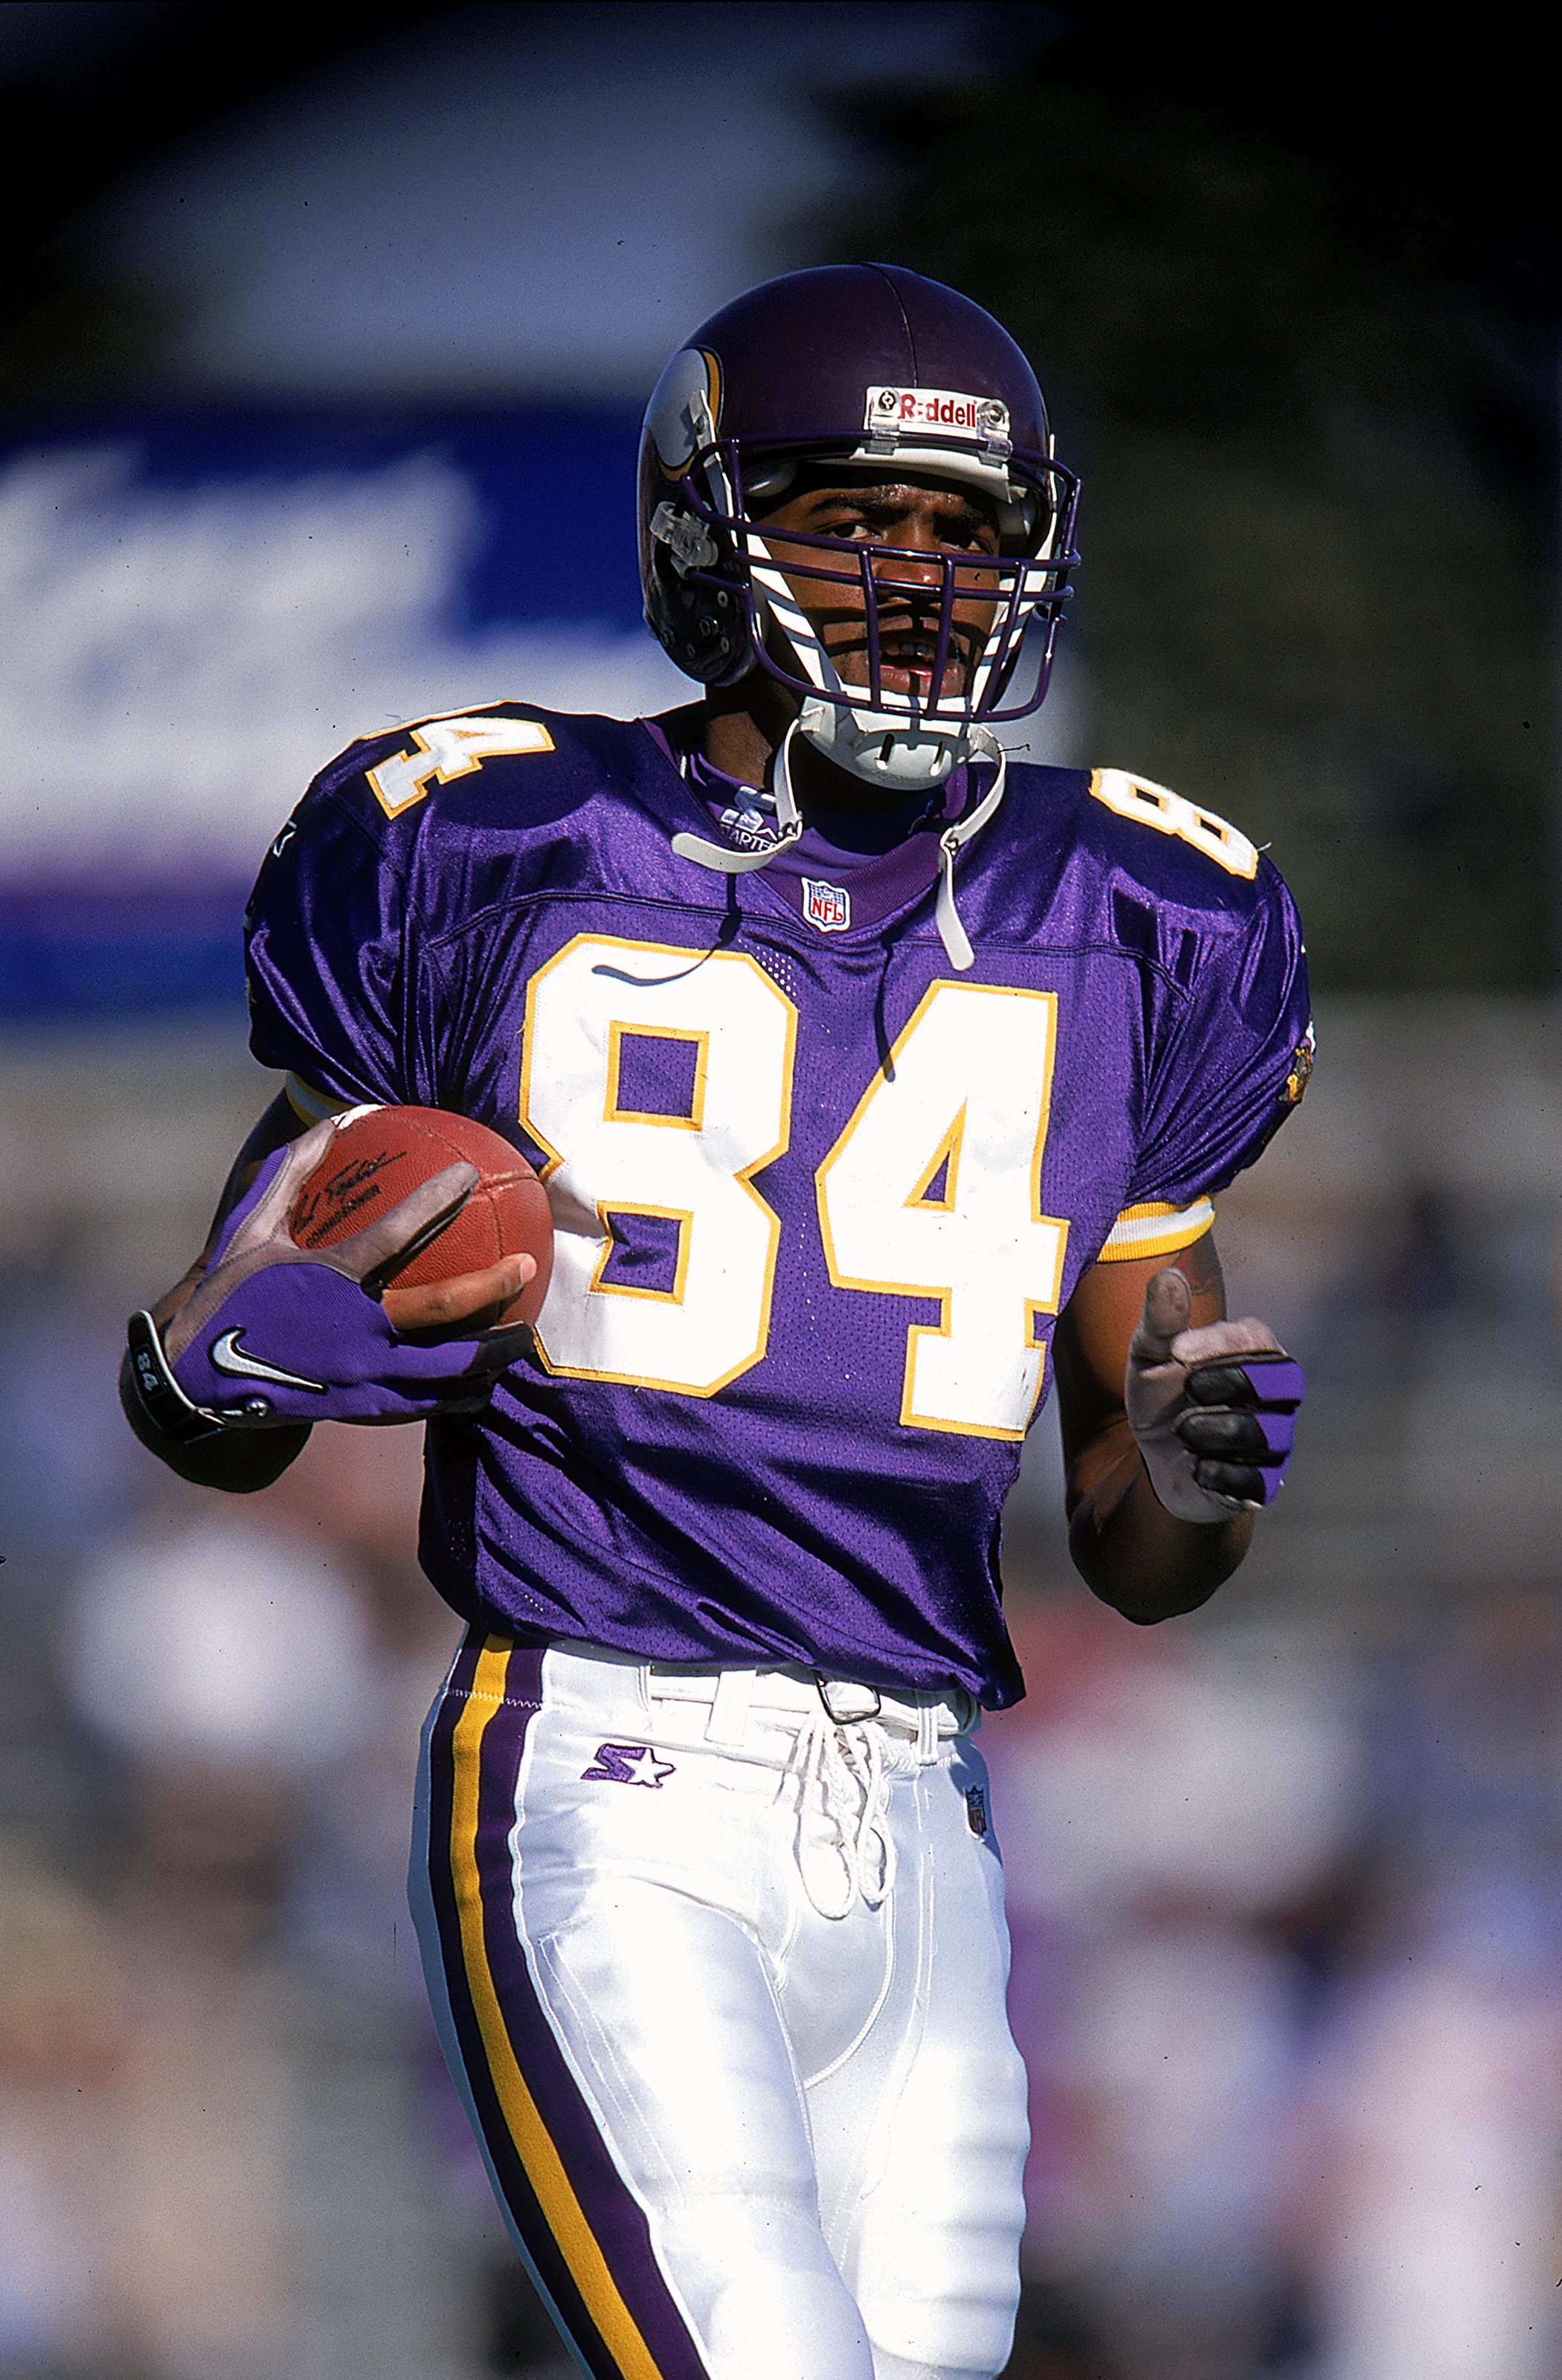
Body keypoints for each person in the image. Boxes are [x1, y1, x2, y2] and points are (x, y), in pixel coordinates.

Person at [120, 263, 1311, 2380]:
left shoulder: (1137, 912)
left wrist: (1200, 1475)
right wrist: (234, 1359)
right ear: (709, 529)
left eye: (964, 532)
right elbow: (221, 1370)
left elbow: (1145, 1551)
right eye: (857, 518)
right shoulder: (488, 841)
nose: (920, 581)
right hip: (608, 1771)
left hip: (933, 1821)